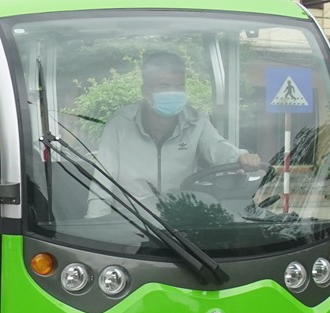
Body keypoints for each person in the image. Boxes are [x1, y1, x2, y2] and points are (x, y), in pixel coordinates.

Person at [92, 49, 258, 206]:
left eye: (179, 86)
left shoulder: (196, 121)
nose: (173, 92)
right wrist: (96, 227)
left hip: (178, 223)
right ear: (145, 91)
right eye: (164, 86)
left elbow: (217, 147)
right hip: (131, 224)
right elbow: (102, 184)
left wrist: (240, 157)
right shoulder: (120, 125)